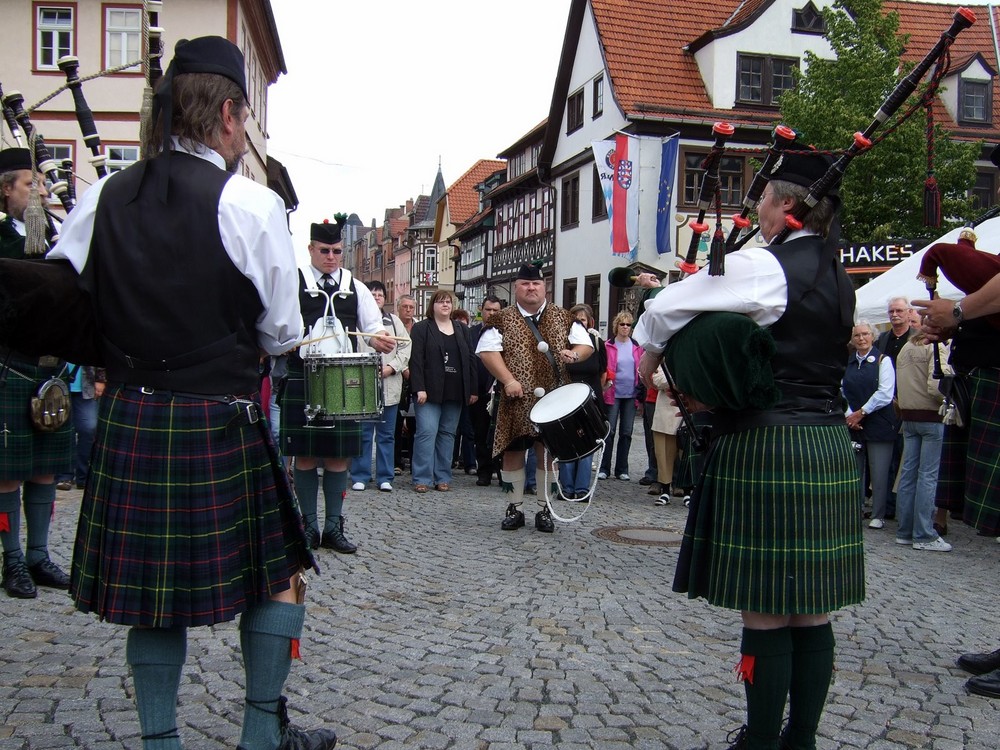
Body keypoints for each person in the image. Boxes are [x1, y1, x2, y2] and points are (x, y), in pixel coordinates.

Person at [48, 37, 336, 750]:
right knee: (279, 573)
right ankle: (261, 735)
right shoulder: (252, 206)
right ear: (231, 114)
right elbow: (279, 333)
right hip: (220, 421)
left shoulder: (102, 198)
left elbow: (58, 295)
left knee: (153, 597)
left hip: (130, 416)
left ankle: (160, 742)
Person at [635, 150, 863, 749]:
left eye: (763, 196)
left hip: (766, 444)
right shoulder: (839, 275)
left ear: (786, 205)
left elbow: (663, 306)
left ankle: (761, 740)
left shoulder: (766, 265)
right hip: (828, 443)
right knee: (812, 608)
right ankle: (800, 740)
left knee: (764, 606)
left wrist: (651, 358)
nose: (756, 206)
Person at [281, 216, 394, 554]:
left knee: (338, 457)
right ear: (311, 249)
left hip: (343, 379)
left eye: (337, 251)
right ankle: (308, 527)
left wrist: (380, 341)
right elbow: (279, 324)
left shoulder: (354, 285)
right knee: (304, 455)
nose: (331, 257)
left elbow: (373, 327)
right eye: (325, 250)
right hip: (303, 373)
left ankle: (333, 527)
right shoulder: (294, 281)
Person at [0, 146, 73, 599]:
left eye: (42, 184)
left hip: (52, 367)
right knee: (8, 472)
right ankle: (10, 557)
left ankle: (38, 555)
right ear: (6, 190)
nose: (40, 191)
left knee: (45, 468)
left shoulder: (57, 237)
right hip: (10, 364)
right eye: (31, 184)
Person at [477, 261, 594, 533]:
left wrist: (574, 354)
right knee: (513, 452)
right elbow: (487, 352)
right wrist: (507, 380)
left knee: (548, 454)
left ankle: (545, 509)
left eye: (536, 284)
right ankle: (514, 508)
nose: (531, 288)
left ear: (545, 288)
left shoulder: (564, 317)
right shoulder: (501, 319)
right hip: (515, 397)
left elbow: (585, 344)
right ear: (517, 287)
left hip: (555, 399)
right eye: (526, 284)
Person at [408, 291, 478, 492]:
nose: (445, 305)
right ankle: (422, 478)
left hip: (455, 390)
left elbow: (471, 359)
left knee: (447, 434)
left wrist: (472, 389)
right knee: (427, 432)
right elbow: (416, 361)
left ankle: (442, 477)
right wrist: (418, 387)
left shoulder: (462, 329)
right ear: (433, 306)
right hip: (428, 391)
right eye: (440, 302)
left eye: (448, 302)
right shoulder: (422, 328)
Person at [350, 281, 410, 493]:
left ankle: (385, 476)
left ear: (385, 299)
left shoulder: (393, 322)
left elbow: (406, 347)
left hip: (389, 386)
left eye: (380, 295)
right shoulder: (356, 323)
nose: (376, 298)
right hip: (363, 386)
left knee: (386, 435)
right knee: (363, 433)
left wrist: (392, 368)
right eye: (372, 294)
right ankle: (360, 474)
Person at [893, 333, 950, 551]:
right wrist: (950, 399)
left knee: (908, 474)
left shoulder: (905, 347)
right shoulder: (935, 347)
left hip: (909, 415)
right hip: (930, 416)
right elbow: (937, 386)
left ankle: (905, 531)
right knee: (927, 475)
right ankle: (924, 534)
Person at [843, 321, 897, 529]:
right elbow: (841, 390)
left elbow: (885, 393)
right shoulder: (848, 362)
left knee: (879, 470)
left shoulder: (883, 361)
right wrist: (850, 415)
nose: (861, 338)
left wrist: (861, 413)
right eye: (857, 335)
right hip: (853, 424)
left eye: (865, 334)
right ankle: (855, 510)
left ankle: (878, 514)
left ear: (873, 337)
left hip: (878, 423)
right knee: (854, 470)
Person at [558, 304, 607, 500]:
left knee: (587, 443)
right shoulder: (562, 342)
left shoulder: (596, 342)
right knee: (567, 442)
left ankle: (582, 489)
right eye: (575, 319)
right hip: (567, 398)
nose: (579, 322)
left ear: (589, 322)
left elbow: (603, 372)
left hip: (589, 399)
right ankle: (567, 488)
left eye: (583, 319)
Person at [599, 311, 642, 481]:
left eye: (628, 325)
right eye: (622, 324)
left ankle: (622, 469)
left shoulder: (637, 347)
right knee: (609, 432)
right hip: (612, 393)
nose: (625, 327)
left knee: (626, 432)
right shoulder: (608, 345)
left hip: (631, 394)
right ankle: (604, 467)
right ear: (616, 326)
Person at [55, 363, 105, 491]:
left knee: (89, 428)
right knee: (63, 430)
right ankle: (64, 476)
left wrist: (100, 379)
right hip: (56, 384)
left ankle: (83, 476)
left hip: (86, 385)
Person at [469, 296, 503, 486]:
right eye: (488, 310)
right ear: (482, 311)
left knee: (500, 434)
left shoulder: (507, 332)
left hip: (501, 390)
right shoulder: (472, 333)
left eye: (495, 310)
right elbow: (470, 362)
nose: (491, 313)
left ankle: (501, 470)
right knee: (480, 434)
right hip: (479, 391)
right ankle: (484, 472)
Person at [649, 367, 682, 505]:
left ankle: (686, 490)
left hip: (687, 414)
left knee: (686, 456)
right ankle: (665, 491)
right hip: (665, 414)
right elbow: (657, 380)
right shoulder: (664, 362)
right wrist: (680, 380)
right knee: (663, 455)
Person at [394, 295, 417, 475]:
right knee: (396, 423)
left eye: (411, 307)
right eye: (405, 307)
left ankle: (413, 459)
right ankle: (396, 461)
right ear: (398, 308)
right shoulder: (393, 327)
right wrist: (402, 369)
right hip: (397, 378)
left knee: (415, 424)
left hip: (415, 381)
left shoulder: (419, 328)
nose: (408, 310)